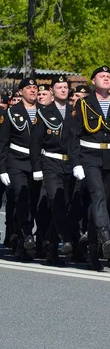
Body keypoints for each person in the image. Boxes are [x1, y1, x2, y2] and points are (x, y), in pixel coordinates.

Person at [69, 66, 110, 271]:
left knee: (101, 203)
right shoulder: (84, 104)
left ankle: (92, 253)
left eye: (109, 76)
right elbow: (73, 135)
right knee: (98, 196)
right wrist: (75, 163)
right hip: (89, 157)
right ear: (93, 81)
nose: (106, 78)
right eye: (102, 76)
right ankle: (104, 235)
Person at [29, 75, 75, 265]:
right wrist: (36, 167)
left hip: (71, 165)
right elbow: (35, 143)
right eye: (59, 87)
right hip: (51, 162)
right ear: (52, 91)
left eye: (65, 87)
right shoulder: (44, 113)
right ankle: (66, 238)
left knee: (64, 206)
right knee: (56, 201)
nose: (63, 90)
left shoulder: (75, 112)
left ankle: (51, 251)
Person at [0, 78, 42, 261]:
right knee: (21, 198)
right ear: (20, 91)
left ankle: (22, 240)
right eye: (29, 88)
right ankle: (26, 235)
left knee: (34, 202)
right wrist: (2, 168)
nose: (33, 91)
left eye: (35, 88)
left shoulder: (45, 112)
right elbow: (3, 143)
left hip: (38, 164)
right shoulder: (11, 113)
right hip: (17, 162)